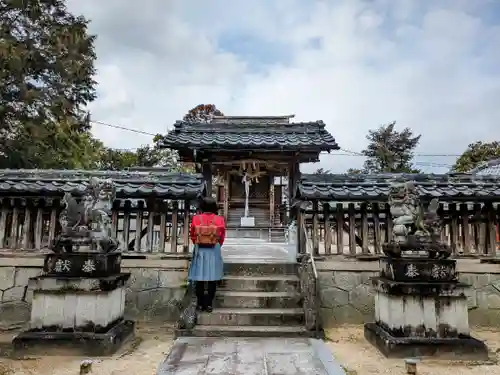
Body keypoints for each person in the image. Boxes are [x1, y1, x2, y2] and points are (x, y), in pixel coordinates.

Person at [188, 196, 225, 312]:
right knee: (212, 277)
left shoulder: (196, 218)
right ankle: (209, 304)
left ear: (202, 207)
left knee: (199, 277)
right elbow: (222, 236)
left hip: (200, 249)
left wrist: (198, 242)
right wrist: (217, 244)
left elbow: (193, 234)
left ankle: (200, 303)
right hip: (214, 248)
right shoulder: (219, 219)